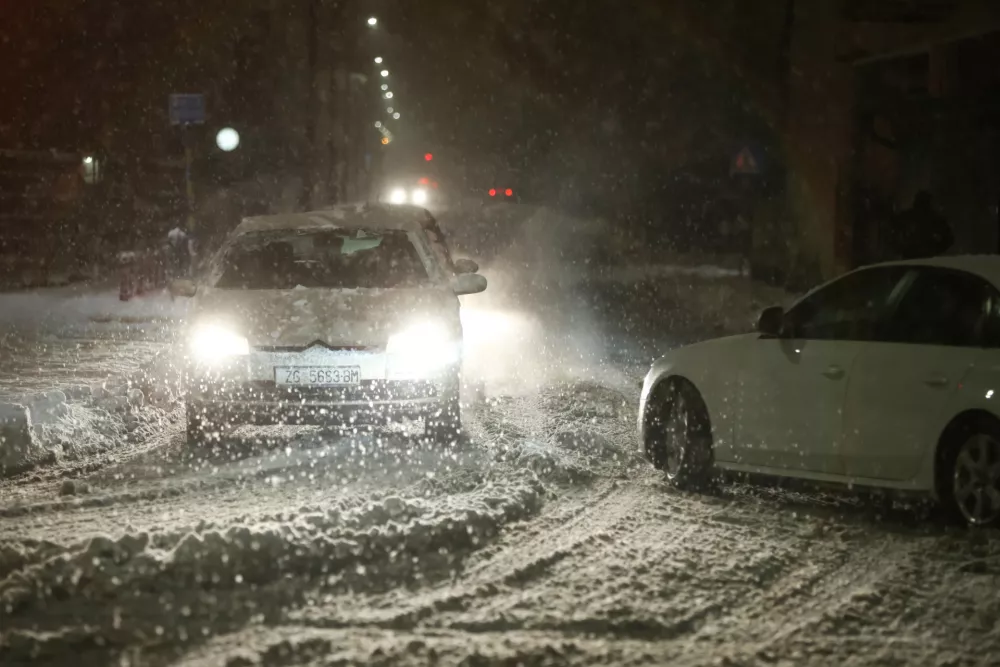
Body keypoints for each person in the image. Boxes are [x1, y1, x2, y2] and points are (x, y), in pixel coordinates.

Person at [886, 190, 953, 260]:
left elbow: (893, 228)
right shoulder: (935, 218)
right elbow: (949, 239)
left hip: (914, 257)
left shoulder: (909, 216)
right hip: (922, 257)